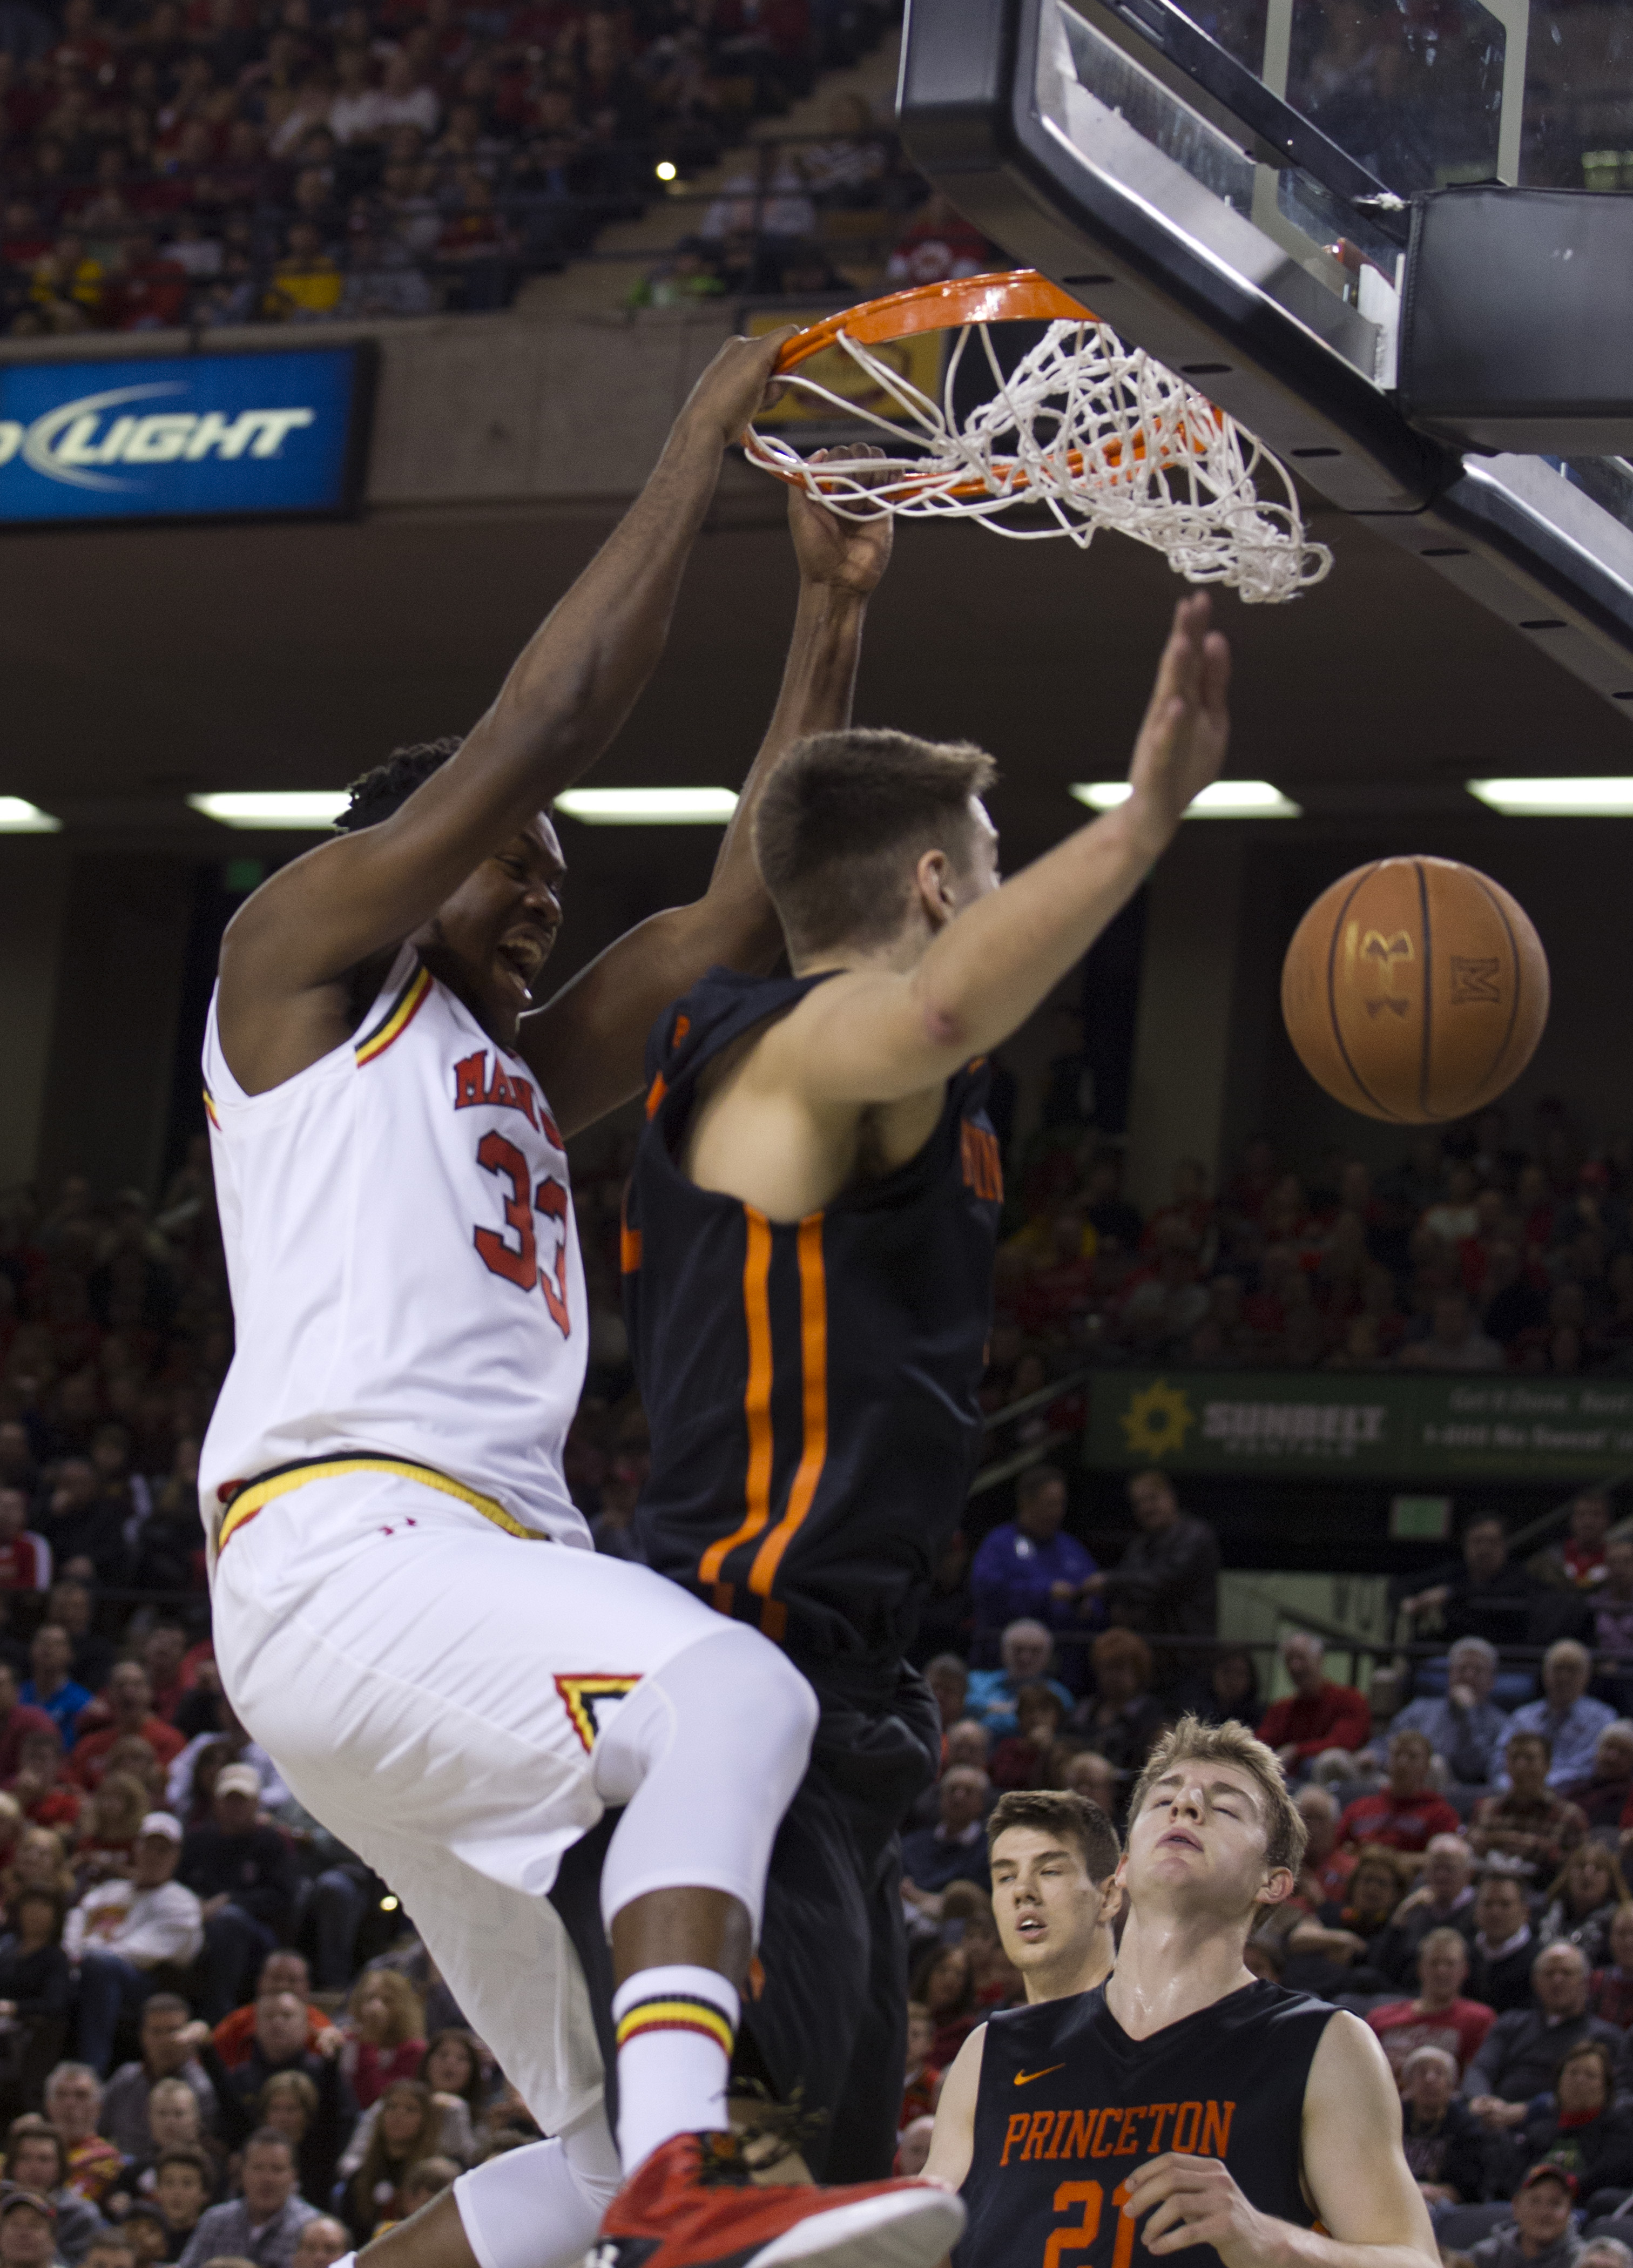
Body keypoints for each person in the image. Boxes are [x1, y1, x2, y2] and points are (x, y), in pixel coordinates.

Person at [200, 334, 957, 2268]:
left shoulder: (518, 1072)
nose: (538, 895)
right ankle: (680, 2186)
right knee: (730, 1691)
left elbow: (738, 915)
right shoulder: (298, 980)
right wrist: (696, 440)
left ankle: (658, 2169)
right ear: (396, 864)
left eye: (550, 882)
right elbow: (535, 728)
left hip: (430, 1600)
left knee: (618, 2111)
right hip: (349, 1549)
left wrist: (823, 604)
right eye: (505, 875)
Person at [623, 597, 1230, 2177]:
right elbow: (941, 1002)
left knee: (779, 2174)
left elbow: (785, 855)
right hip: (752, 1680)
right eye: (998, 862)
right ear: (941, 884)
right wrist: (1149, 815)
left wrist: (829, 610)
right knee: (770, 2186)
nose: (1008, 893)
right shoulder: (792, 1059)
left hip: (840, 1697)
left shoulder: (810, 1045)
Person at [947, 1713, 1437, 2268]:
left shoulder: (1320, 2046)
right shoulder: (994, 2051)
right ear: (1123, 1868)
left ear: (1272, 1882)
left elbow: (1415, 2261)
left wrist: (1269, 2243)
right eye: (1164, 1800)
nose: (1187, 1806)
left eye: (1225, 1807)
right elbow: (916, 2247)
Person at [921, 1790, 1121, 2190]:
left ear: (1109, 1896)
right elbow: (933, 2222)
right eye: (1005, 1876)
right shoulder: (985, 2051)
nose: (1022, 1891)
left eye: (1049, 1871)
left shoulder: (1167, 2027)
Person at [67, 1820, 205, 2076]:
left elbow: (145, 1953)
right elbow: (75, 1921)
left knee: (100, 1966)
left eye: (163, 1850)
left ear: (176, 1856)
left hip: (145, 1983)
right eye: (148, 1846)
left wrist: (88, 1954)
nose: (153, 1855)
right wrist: (74, 1955)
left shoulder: (181, 1902)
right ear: (136, 1848)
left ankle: (91, 2072)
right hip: (87, 1966)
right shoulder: (109, 1891)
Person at [177, 1768, 299, 2022]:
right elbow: (178, 1885)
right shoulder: (198, 1841)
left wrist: (231, 1901)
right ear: (216, 1803)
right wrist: (193, 1903)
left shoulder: (271, 1842)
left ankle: (220, 2015)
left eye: (242, 1800)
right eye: (229, 1800)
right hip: (198, 1922)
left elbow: (283, 1898)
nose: (235, 1807)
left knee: (228, 1919)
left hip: (259, 1934)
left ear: (256, 1803)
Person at [1464, 1942, 1621, 2128]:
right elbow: (1480, 2069)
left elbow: (1599, 2094)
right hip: (1494, 2121)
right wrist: (1482, 2100)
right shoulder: (1511, 2023)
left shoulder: (1604, 2037)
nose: (1557, 1980)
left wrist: (1528, 2111)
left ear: (1585, 1982)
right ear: (1535, 1982)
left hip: (1559, 2128)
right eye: (1549, 1974)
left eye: (1567, 1973)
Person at [1076, 1470, 1219, 1650]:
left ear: (1170, 1497)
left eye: (1152, 1499)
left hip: (1188, 1652)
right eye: (1138, 1503)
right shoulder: (1140, 1544)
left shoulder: (1196, 1536)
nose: (1146, 1508)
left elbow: (1163, 1581)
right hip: (1147, 1653)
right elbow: (1125, 1585)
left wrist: (1107, 1582)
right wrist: (1094, 1600)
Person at [968, 1470, 1099, 1646]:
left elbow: (1096, 1594)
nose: (1058, 1512)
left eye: (1061, 1504)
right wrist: (1045, 1593)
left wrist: (1090, 1604)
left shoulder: (1070, 1547)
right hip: (1004, 1654)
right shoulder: (1000, 1543)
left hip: (1063, 1653)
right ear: (1026, 1504)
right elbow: (987, 1589)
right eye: (1050, 1504)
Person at [1500, 2038, 1633, 2206]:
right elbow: (1513, 2182)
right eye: (1573, 2073)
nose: (1579, 2081)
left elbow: (1608, 2177)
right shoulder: (1538, 2130)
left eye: (1590, 2075)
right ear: (1559, 2081)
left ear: (1606, 2087)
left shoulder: (1620, 2129)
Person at [177, 2130, 317, 2268]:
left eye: (277, 2169)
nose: (267, 2179)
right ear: (243, 2172)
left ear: (294, 2176)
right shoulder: (215, 2222)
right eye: (258, 2168)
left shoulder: (311, 2229)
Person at [97, 1993, 215, 2155]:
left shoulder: (204, 2085)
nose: (165, 2040)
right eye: (156, 2032)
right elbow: (99, 2132)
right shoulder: (125, 2080)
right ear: (143, 2036)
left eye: (173, 2031)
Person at [1367, 1928, 1496, 2075]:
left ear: (1464, 1970)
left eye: (1450, 1964)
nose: (1441, 1971)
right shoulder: (1380, 2018)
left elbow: (1476, 2077)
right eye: (1434, 1963)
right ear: (1420, 1968)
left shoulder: (1478, 2020)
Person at [1388, 1638, 1511, 1787]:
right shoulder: (1420, 1709)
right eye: (1462, 1669)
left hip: (1463, 1795)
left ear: (1492, 1680)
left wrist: (1469, 1714)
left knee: (1435, 1764)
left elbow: (1477, 1768)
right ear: (1450, 1673)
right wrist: (1373, 1754)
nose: (1468, 1676)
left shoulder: (1500, 1722)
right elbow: (1389, 1743)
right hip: (1405, 1784)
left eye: (1478, 1671)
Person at [1470, 1734, 1589, 1881]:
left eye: (1529, 1759)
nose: (1521, 1767)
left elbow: (1578, 1868)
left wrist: (1529, 1846)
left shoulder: (1570, 1816)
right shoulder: (1485, 1809)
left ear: (1547, 1766)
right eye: (1514, 1758)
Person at [1504, 1646, 1618, 1792]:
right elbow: (1499, 1764)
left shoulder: (1603, 1718)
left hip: (1579, 1799)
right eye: (1558, 1669)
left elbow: (1590, 1768)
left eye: (1572, 1670)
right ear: (1545, 1674)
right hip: (1521, 1796)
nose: (1564, 1677)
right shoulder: (1522, 1717)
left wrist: (1540, 1784)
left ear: (1586, 1676)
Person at [1258, 1635, 1371, 1774]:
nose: (1295, 1666)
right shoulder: (1281, 1709)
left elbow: (1344, 1743)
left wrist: (1297, 1751)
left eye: (1301, 1658)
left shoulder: (1350, 1700)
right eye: (1289, 1660)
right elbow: (1261, 1743)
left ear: (1319, 1659)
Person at [1339, 1731, 1462, 1853]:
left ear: (1427, 1766)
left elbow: (1441, 1861)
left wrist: (1387, 1859)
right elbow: (1336, 1852)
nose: (1402, 1763)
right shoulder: (1358, 1808)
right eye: (1397, 1755)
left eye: (1412, 1757)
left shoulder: (1441, 1814)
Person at [1068, 1631, 1169, 1780]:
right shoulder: (1087, 1710)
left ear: (1138, 1671)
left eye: (1120, 1668)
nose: (1112, 1676)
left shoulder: (1151, 1714)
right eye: (1107, 1668)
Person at [1398, 2044, 1486, 2208]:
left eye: (1439, 2073)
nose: (1429, 2079)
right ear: (1407, 2084)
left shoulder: (1466, 2125)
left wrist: (1428, 2192)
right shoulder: (1394, 2117)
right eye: (1422, 2072)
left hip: (1444, 2207)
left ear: (1452, 2086)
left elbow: (1468, 2188)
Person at [900, 1769, 993, 1912]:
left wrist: (922, 1898)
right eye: (952, 1789)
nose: (958, 1797)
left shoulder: (989, 1851)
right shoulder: (912, 1843)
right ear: (940, 1797)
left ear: (982, 1802)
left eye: (968, 1791)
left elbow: (977, 1902)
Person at [966, 1625, 1075, 1740]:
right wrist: (999, 1708)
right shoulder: (976, 1680)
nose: (1025, 1658)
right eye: (1018, 1649)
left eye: (1035, 1651)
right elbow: (962, 1706)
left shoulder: (1058, 1694)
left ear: (1048, 1657)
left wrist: (990, 1710)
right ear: (1003, 1651)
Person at [1468, 2163, 1583, 2268]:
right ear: (1516, 2206)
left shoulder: (1583, 2260)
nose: (1544, 2212)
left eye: (1556, 2203)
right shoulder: (1484, 2256)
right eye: (1535, 2201)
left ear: (1570, 2211)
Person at [1538, 1844, 1629, 1968]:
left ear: (1611, 1879)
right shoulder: (1542, 1914)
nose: (1587, 1873)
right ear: (1568, 1875)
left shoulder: (1620, 1925)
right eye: (1581, 1867)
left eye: (1598, 1868)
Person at [1468, 1872, 1543, 2016]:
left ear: (1525, 1913)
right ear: (1476, 1911)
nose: (1495, 1912)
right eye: (1488, 1904)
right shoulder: (1464, 1955)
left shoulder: (1540, 1961)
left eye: (1505, 1904)